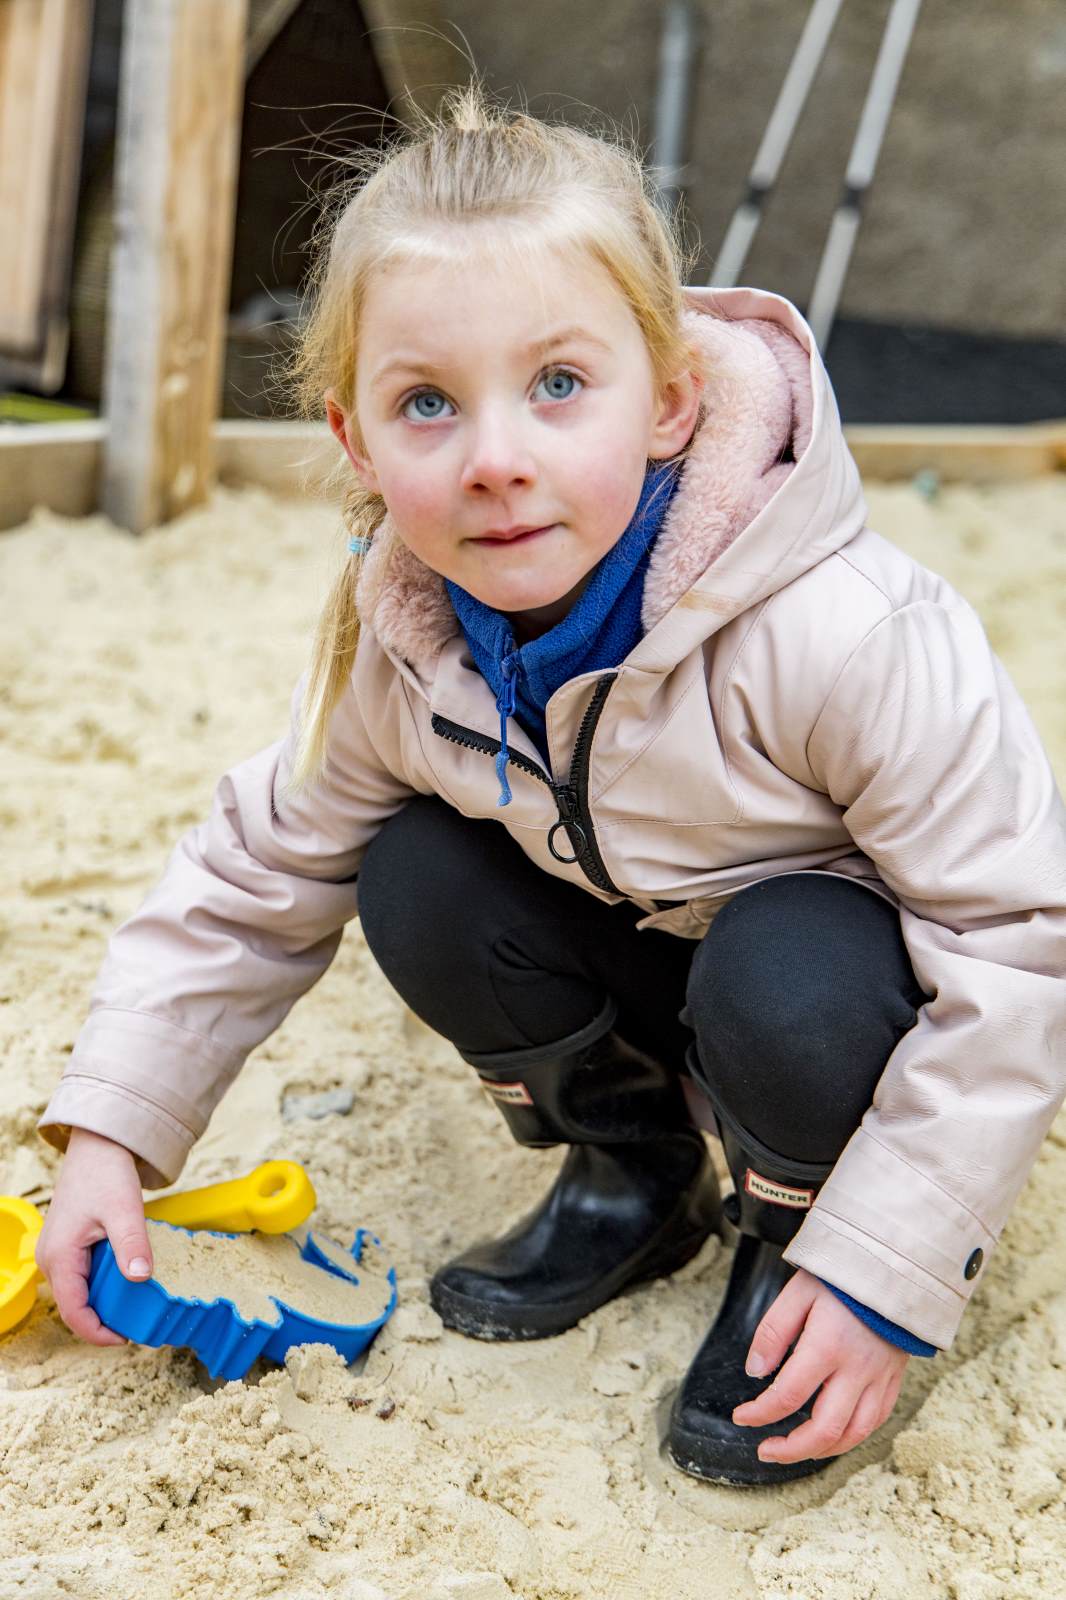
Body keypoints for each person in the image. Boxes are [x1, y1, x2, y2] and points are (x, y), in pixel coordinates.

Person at [34, 82, 1066, 1489]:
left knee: (786, 970)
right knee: (413, 869)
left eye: (560, 385)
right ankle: (634, 1168)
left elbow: (1017, 940)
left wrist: (886, 1267)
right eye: (426, 404)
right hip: (647, 952)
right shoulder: (405, 640)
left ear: (670, 399)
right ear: (355, 441)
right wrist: (111, 1137)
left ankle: (796, 1232)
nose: (497, 461)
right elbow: (259, 868)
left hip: (829, 999)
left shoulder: (846, 634)